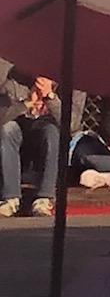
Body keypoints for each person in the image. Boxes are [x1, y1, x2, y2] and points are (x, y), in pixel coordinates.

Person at [1, 65, 57, 215]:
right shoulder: (13, 80)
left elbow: (72, 124)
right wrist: (26, 103)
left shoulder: (70, 80)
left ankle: (44, 198)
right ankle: (10, 198)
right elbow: (2, 117)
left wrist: (49, 96)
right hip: (20, 131)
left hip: (48, 135)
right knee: (7, 129)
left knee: (52, 132)